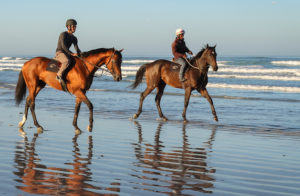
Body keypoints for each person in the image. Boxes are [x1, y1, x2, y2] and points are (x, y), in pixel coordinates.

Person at [55, 19, 81, 83]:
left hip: (67, 53)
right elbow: (63, 46)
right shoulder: (63, 34)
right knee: (66, 61)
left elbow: (77, 48)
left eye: (75, 27)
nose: (75, 28)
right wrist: (71, 53)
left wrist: (81, 54)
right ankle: (58, 75)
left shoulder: (74, 38)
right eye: (73, 26)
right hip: (60, 52)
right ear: (68, 27)